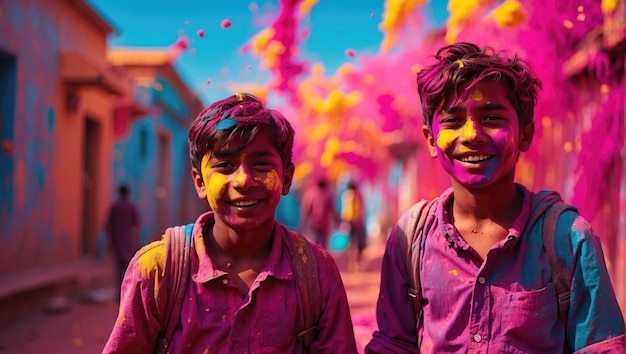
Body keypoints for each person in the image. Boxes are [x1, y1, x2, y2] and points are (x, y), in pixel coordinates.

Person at [365, 42, 625, 353]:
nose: (472, 133)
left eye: (491, 118)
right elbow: (393, 344)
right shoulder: (410, 238)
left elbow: (601, 346)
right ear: (431, 141)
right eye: (452, 120)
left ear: (524, 136)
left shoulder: (568, 240)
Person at [103, 93, 357, 353]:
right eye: (225, 165)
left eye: (261, 164)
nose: (244, 180)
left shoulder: (316, 274)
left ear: (287, 178)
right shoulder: (157, 272)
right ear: (200, 182)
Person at [105, 184, 140, 301]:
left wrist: (110, 240)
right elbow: (137, 224)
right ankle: (126, 292)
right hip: (127, 241)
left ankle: (120, 291)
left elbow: (107, 225)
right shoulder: (131, 207)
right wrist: (135, 241)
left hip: (117, 241)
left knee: (118, 267)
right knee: (128, 267)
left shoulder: (114, 207)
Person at [299, 176, 339, 249]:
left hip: (314, 223)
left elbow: (307, 209)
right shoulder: (328, 194)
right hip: (324, 223)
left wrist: (304, 223)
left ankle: (315, 258)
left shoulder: (311, 194)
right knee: (323, 246)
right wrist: (337, 221)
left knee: (314, 243)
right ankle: (322, 259)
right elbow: (332, 210)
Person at [340, 179, 367, 272]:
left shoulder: (345, 195)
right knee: (359, 242)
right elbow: (362, 209)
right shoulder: (358, 194)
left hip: (349, 221)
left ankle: (351, 263)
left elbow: (344, 210)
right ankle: (357, 261)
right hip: (358, 222)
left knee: (352, 243)